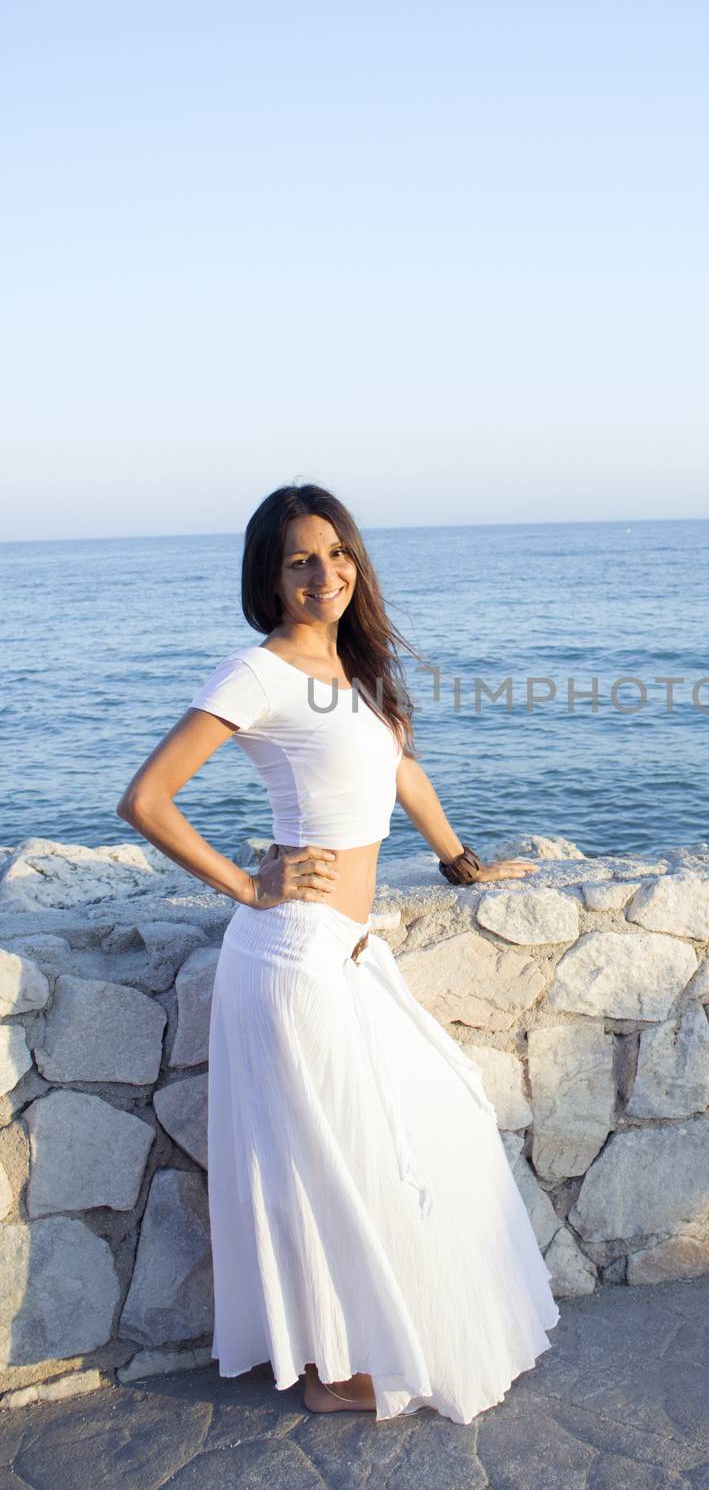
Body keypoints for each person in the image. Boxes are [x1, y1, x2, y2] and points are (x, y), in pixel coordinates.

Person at [116, 481, 561, 1425]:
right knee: (332, 1166)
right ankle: (330, 1369)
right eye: (300, 561)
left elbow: (399, 768)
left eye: (338, 554)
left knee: (425, 1129)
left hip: (346, 953)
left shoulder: (348, 673)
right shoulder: (259, 672)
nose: (326, 575)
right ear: (269, 579)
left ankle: (357, 1346)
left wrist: (460, 863)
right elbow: (147, 797)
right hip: (289, 955)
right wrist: (247, 885)